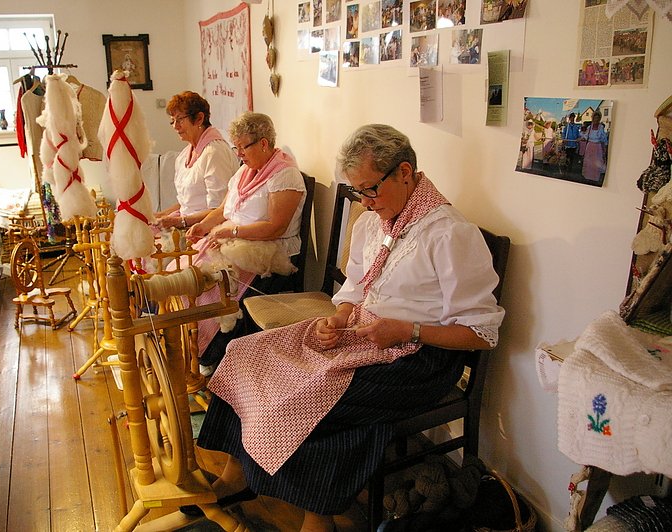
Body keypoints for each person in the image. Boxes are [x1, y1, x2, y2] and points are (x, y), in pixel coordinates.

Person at [191, 124, 505, 531]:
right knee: (247, 354)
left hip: (420, 356)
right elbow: (357, 285)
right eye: (359, 192)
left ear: (405, 172)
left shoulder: (449, 234)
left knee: (308, 395)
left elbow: (481, 334)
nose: (366, 202)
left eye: (371, 189)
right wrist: (337, 317)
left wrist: (408, 331)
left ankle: (318, 517)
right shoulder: (374, 222)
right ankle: (237, 475)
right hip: (363, 332)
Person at [186, 111, 306, 374]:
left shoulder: (285, 176)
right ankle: (188, 347)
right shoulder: (245, 171)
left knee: (215, 287)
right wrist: (204, 226)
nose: (239, 153)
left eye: (243, 146)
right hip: (234, 242)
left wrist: (231, 233)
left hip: (269, 253)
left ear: (263, 143)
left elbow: (276, 227)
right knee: (190, 276)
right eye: (236, 147)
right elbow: (224, 209)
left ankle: (209, 356)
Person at [154, 91, 238, 230]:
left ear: (199, 118)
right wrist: (160, 215)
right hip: (186, 223)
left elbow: (218, 210)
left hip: (208, 229)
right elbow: (187, 204)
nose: (175, 126)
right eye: (172, 121)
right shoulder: (184, 154)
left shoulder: (214, 153)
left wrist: (179, 222)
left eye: (180, 119)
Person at [582, 111, 608, 183]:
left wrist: (605, 148)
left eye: (597, 118)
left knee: (596, 163)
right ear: (593, 118)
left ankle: (595, 178)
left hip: (597, 147)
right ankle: (588, 177)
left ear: (599, 119)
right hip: (590, 147)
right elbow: (585, 136)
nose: (596, 120)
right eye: (595, 118)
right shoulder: (589, 127)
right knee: (589, 162)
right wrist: (581, 138)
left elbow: (604, 139)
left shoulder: (601, 127)